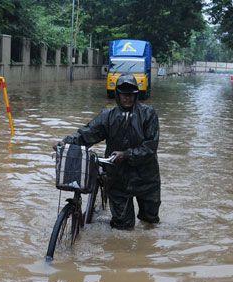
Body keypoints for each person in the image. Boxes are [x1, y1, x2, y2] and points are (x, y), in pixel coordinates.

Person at [53, 74, 161, 230]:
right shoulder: (108, 116)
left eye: (130, 94)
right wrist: (65, 143)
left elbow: (150, 147)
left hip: (147, 178)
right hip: (118, 178)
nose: (127, 98)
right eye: (124, 94)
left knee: (150, 222)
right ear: (118, 95)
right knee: (122, 226)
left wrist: (126, 154)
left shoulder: (148, 114)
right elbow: (87, 134)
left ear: (136, 95)